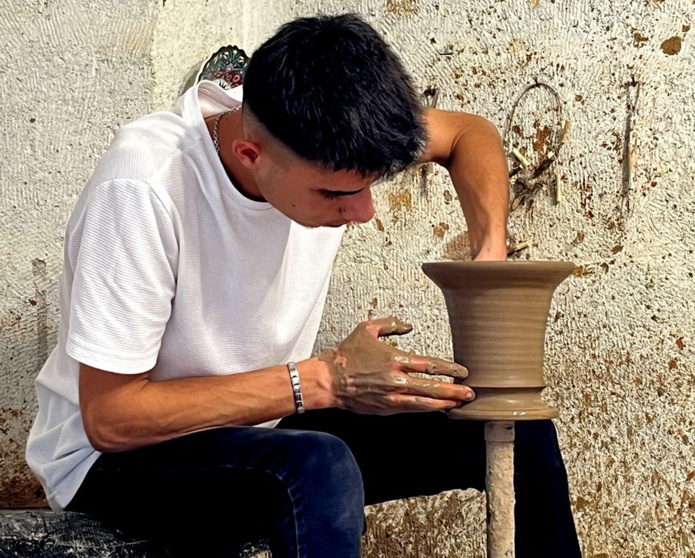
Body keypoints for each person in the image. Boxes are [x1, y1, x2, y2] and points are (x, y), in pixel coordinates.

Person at [26, 13, 581, 558]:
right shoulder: (144, 186)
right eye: (336, 195)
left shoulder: (330, 132)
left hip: (256, 420)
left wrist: (490, 251)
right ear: (251, 154)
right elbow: (113, 418)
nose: (362, 212)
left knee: (511, 433)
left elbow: (467, 134)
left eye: (371, 187)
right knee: (319, 467)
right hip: (114, 460)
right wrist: (324, 382)